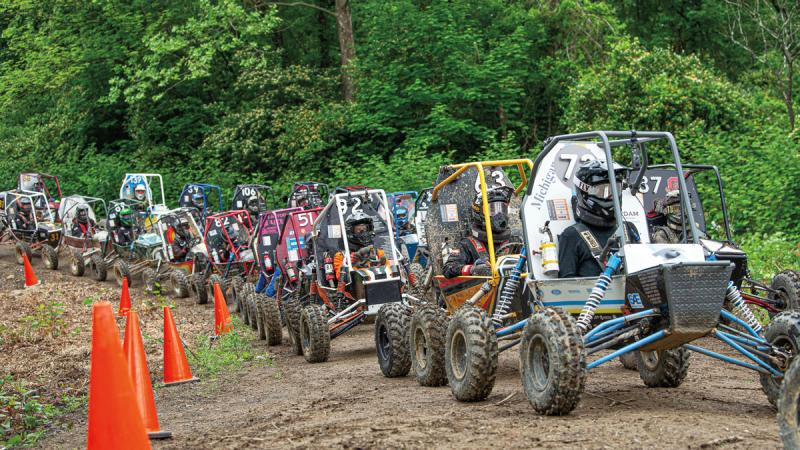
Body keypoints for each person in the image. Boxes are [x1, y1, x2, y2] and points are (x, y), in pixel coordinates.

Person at [558, 160, 639, 278]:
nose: (610, 195)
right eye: (602, 190)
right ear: (584, 193)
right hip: (592, 295)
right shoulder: (571, 236)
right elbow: (565, 286)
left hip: (632, 294)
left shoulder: (628, 229)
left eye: (614, 189)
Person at [443, 186, 513, 278]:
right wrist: (472, 269)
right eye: (492, 210)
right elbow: (448, 269)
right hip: (483, 289)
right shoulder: (467, 244)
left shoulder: (514, 240)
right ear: (479, 213)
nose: (499, 215)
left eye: (502, 209)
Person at [332, 210, 388, 279]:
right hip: (355, 287)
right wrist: (349, 263)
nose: (363, 232)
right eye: (358, 229)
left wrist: (380, 266)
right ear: (350, 231)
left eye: (365, 228)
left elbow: (389, 272)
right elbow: (339, 278)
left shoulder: (378, 253)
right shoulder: (341, 256)